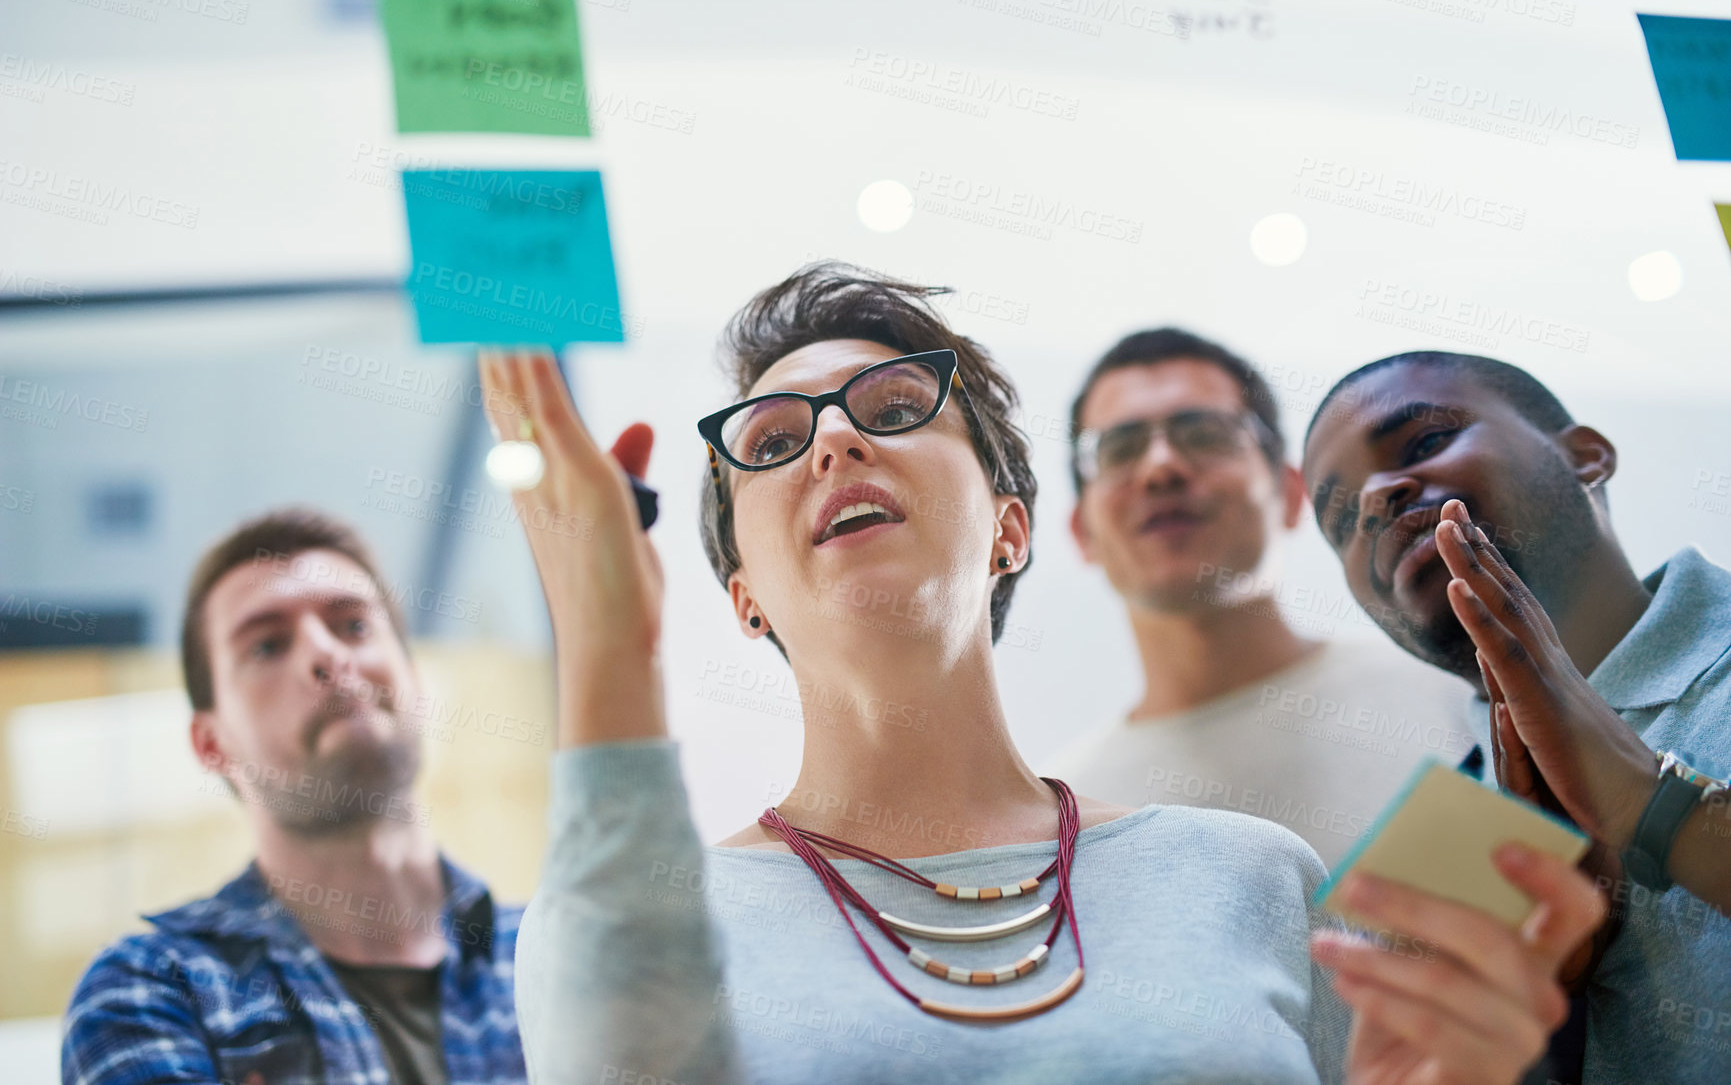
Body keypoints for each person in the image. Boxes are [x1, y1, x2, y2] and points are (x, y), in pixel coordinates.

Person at [500, 263, 1601, 1085]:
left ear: (1011, 529)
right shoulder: (631, 913)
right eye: (776, 441)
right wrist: (607, 646)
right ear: (743, 595)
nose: (834, 444)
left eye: (892, 410)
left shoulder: (1250, 878)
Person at [1301, 350, 1731, 1084]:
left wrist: (1649, 803)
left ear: (1585, 457)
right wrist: (1547, 1018)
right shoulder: (1421, 869)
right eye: (1342, 517)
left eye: (1427, 442)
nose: (1376, 495)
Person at [62, 509, 527, 1085]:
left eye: (353, 626)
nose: (327, 655)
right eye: (267, 646)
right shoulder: (150, 991)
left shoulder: (550, 953)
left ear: (415, 681)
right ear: (212, 743)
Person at [1049, 329, 1474, 867]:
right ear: (1081, 532)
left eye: (1204, 433)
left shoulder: (1458, 692)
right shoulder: (1066, 822)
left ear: (1292, 495)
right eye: (1118, 449)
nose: (1160, 468)